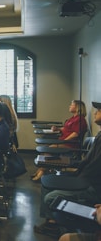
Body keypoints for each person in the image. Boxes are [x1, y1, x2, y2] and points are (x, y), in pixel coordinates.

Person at [34, 101, 101, 238]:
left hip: (90, 185)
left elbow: (94, 168)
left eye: (99, 110)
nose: (95, 112)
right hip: (82, 176)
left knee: (50, 197)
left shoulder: (81, 121)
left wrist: (75, 178)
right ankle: (51, 223)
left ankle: (62, 224)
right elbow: (88, 162)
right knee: (46, 183)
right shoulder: (99, 135)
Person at [31, 100, 88, 182]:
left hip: (70, 145)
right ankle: (40, 171)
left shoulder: (80, 120)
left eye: (72, 105)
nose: (70, 106)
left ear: (78, 107)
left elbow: (75, 134)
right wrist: (57, 129)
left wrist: (64, 141)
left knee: (48, 151)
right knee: (46, 149)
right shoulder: (73, 118)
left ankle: (41, 172)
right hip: (63, 142)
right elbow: (66, 129)